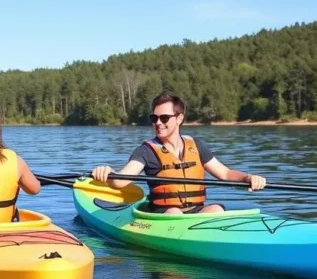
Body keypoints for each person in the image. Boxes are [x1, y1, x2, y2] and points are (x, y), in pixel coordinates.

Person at [91, 91, 267, 214]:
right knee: (174, 211)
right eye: (154, 118)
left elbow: (225, 173)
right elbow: (122, 181)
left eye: (164, 118)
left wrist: (247, 178)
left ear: (179, 118)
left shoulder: (196, 146)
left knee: (217, 209)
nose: (158, 122)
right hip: (164, 213)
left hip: (196, 211)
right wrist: (109, 175)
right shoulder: (146, 151)